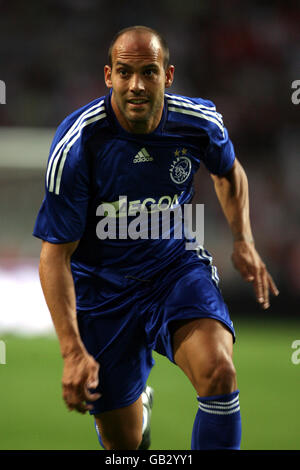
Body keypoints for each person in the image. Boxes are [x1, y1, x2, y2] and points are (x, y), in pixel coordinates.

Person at [33, 25, 279, 450]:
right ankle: (136, 411)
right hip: (102, 289)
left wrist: (244, 241)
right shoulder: (78, 143)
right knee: (126, 448)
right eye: (125, 73)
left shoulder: (198, 121)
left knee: (219, 371)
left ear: (168, 75)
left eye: (149, 72)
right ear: (108, 76)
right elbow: (54, 256)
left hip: (173, 269)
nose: (136, 85)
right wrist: (73, 353)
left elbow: (228, 172)